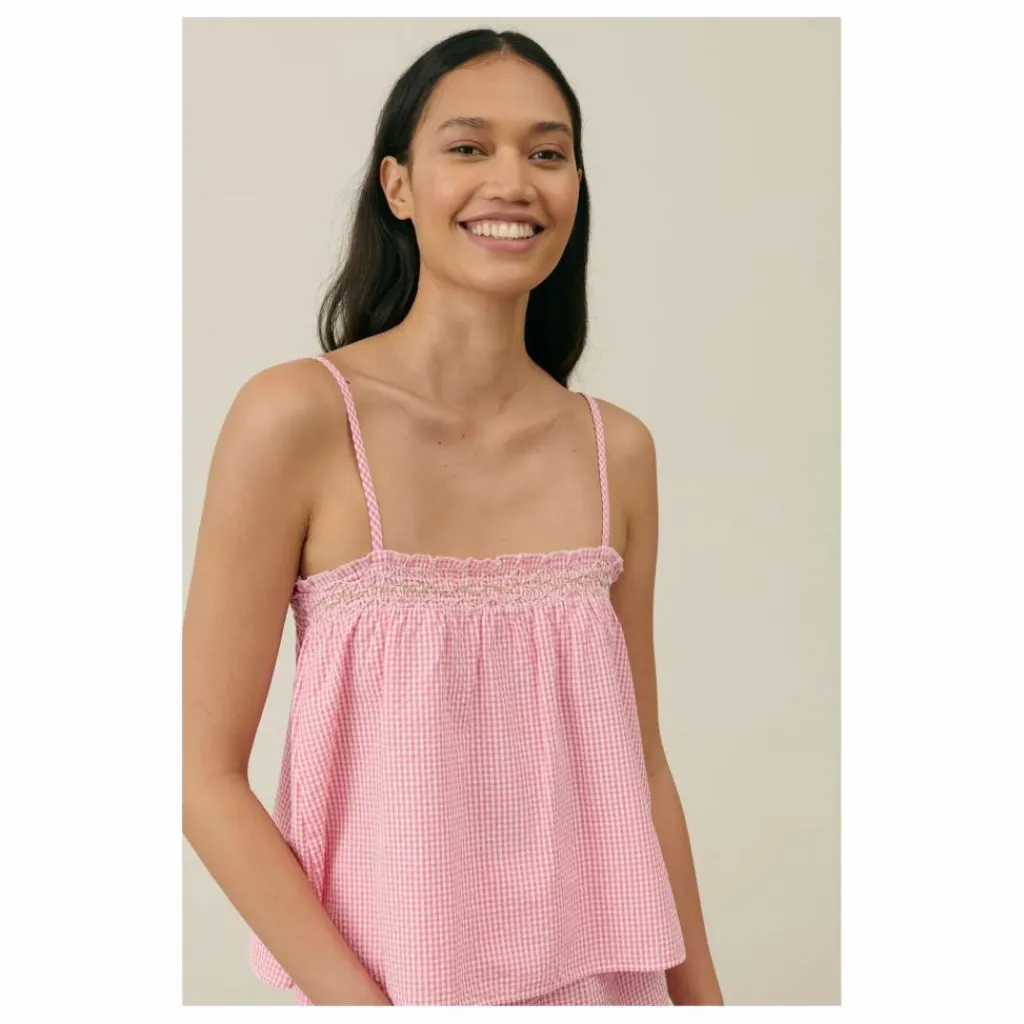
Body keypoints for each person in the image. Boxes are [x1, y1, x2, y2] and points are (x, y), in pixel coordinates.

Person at [182, 27, 724, 1007]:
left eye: (548, 153)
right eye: (469, 146)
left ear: (576, 187)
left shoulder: (618, 451)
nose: (512, 181)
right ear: (397, 185)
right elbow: (199, 775)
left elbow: (641, 771)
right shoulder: (298, 417)